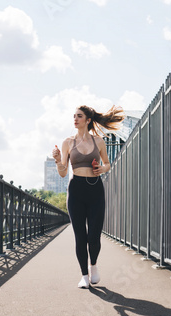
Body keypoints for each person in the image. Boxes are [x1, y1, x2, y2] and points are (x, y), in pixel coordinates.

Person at [52, 105, 125, 288]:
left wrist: (103, 168)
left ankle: (94, 266)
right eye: (74, 116)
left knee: (94, 236)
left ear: (88, 120)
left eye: (79, 116)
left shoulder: (98, 141)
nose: (75, 119)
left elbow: (107, 164)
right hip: (76, 190)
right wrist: (57, 159)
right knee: (80, 236)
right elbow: (62, 172)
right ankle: (84, 276)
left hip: (95, 190)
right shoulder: (68, 142)